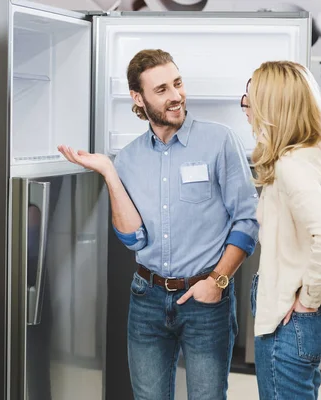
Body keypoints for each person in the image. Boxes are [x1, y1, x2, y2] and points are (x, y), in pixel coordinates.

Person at [57, 48, 259, 399]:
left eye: (177, 84)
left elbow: (247, 219)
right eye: (162, 89)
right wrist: (109, 171)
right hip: (146, 299)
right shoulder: (131, 158)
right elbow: (133, 237)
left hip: (206, 299)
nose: (176, 96)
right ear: (139, 98)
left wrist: (218, 280)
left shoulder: (220, 141)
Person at [241, 61, 321, 399]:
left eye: (251, 100)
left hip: (289, 321)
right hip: (309, 321)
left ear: (272, 108)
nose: (246, 107)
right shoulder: (316, 152)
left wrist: (307, 298)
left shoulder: (291, 165)